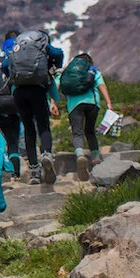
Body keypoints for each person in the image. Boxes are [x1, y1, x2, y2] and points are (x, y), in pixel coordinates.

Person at [8, 30, 64, 185]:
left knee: (28, 128)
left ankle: (34, 171)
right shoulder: (42, 44)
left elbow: (6, 64)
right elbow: (59, 53)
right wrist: (53, 66)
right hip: (38, 89)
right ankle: (46, 154)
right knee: (43, 125)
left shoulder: (18, 45)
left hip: (19, 92)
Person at [54, 51, 113, 181]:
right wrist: (108, 102)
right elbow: (102, 85)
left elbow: (56, 85)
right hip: (93, 104)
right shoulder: (92, 70)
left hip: (74, 105)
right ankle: (96, 158)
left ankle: (80, 155)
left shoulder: (66, 72)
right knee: (90, 131)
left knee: (77, 132)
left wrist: (52, 102)